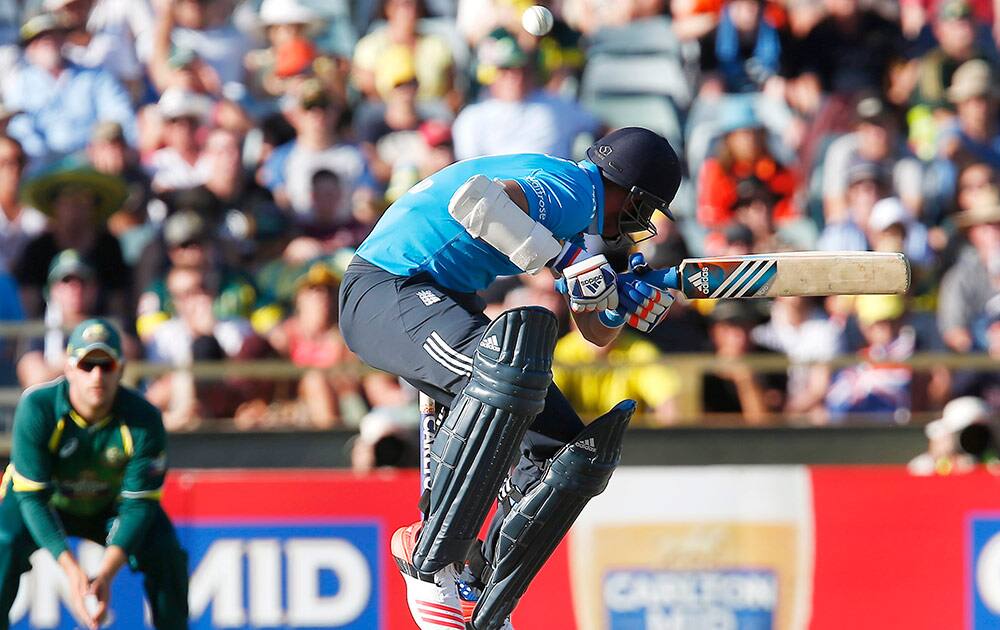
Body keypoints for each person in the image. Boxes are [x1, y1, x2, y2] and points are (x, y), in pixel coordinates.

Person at [339, 127, 681, 629]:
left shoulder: (575, 218)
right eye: (645, 209)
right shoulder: (569, 192)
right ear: (628, 193)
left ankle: (478, 583)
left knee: (565, 451)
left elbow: (593, 334)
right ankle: (430, 556)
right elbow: (477, 202)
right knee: (505, 373)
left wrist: (616, 305)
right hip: (387, 290)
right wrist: (572, 261)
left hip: (435, 302)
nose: (642, 223)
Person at [0, 318, 188, 630]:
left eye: (107, 365)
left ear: (122, 369)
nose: (97, 376)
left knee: (165, 551)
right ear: (70, 368)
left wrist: (104, 576)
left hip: (107, 507)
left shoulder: (144, 418)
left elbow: (139, 504)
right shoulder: (38, 407)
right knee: (4, 542)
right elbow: (31, 499)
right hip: (50, 504)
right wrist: (74, 573)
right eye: (87, 365)